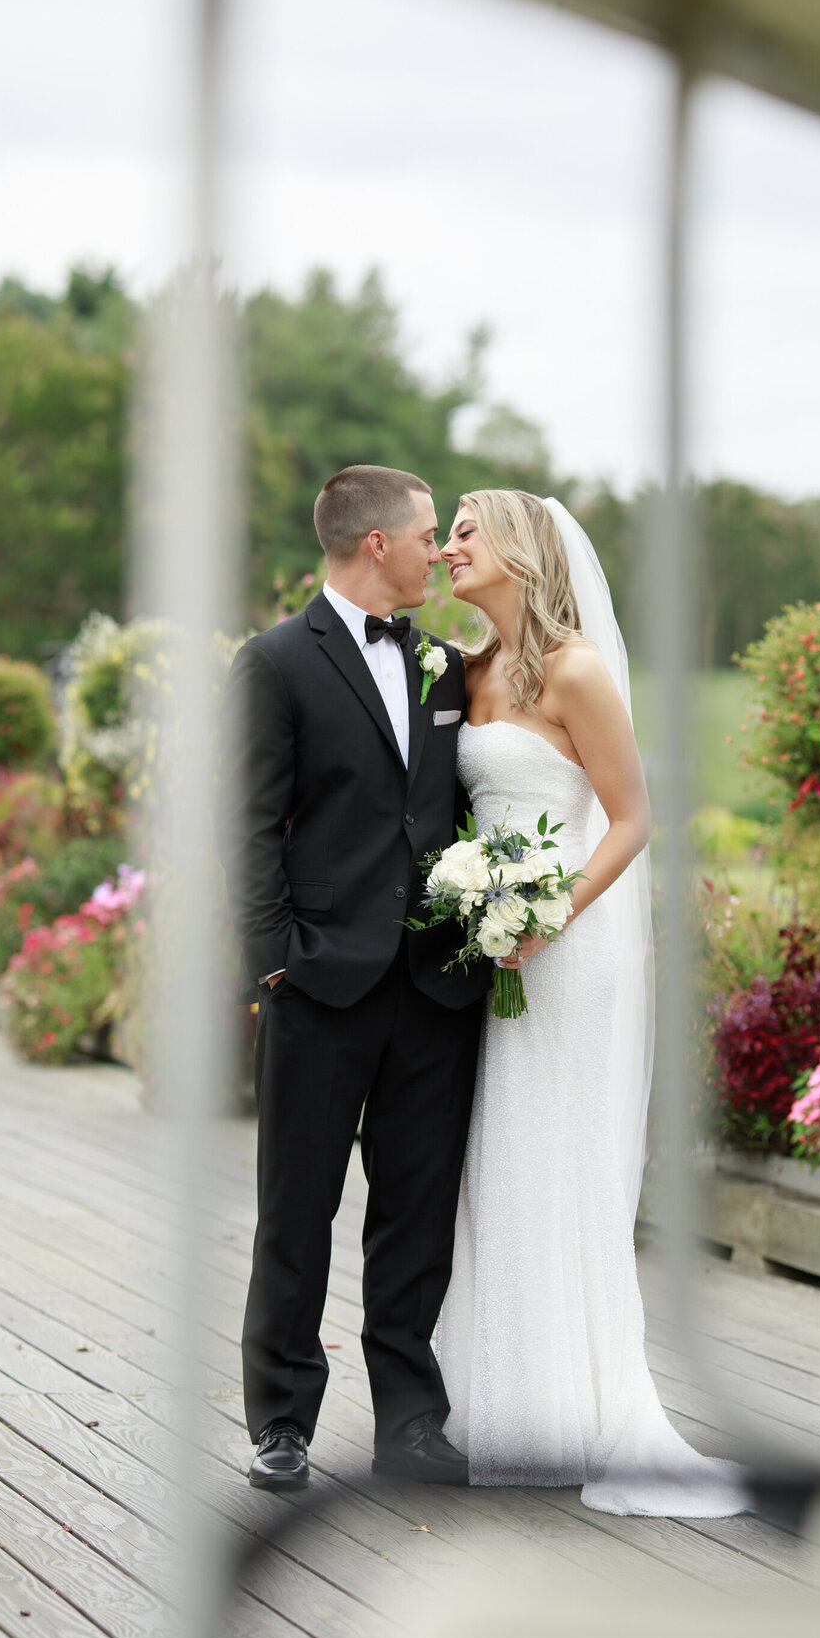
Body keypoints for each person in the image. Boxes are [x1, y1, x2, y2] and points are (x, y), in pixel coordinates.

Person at [434, 488, 745, 1516]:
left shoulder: (576, 671)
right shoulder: (466, 669)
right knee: (500, 1155)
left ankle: (577, 1402)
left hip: (566, 944)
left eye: (468, 530)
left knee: (557, 1152)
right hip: (490, 946)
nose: (450, 546)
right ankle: (508, 1401)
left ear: (522, 550)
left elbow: (633, 816)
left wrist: (548, 913)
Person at [224, 464, 489, 1492]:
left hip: (435, 987)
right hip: (319, 987)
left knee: (415, 1214)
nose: (441, 550)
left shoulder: (444, 666)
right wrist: (277, 962)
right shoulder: (277, 662)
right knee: (297, 1211)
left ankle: (411, 1424)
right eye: (429, 534)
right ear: (377, 544)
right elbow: (246, 827)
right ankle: (282, 1423)